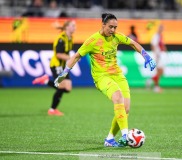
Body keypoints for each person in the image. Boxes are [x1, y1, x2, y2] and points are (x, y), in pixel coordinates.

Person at [54, 13, 156, 147]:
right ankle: (125, 135)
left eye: (115, 27)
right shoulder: (92, 40)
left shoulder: (116, 37)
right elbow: (77, 56)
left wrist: (146, 55)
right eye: (110, 27)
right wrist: (64, 73)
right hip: (101, 77)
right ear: (103, 24)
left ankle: (109, 139)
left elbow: (133, 43)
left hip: (118, 75)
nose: (113, 30)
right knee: (118, 97)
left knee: (125, 108)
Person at [32, 20, 76, 116]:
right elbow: (59, 54)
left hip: (64, 66)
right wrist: (72, 58)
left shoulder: (70, 38)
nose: (75, 27)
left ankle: (45, 81)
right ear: (67, 27)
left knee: (67, 88)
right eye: (73, 25)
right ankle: (52, 110)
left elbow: (66, 53)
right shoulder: (60, 38)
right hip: (56, 65)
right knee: (61, 87)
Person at [146, 24, 167, 93]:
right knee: (159, 71)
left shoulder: (160, 36)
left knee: (160, 71)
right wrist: (156, 55)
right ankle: (156, 87)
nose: (161, 30)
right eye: (161, 28)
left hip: (160, 55)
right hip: (157, 56)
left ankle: (151, 81)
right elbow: (153, 45)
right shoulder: (156, 36)